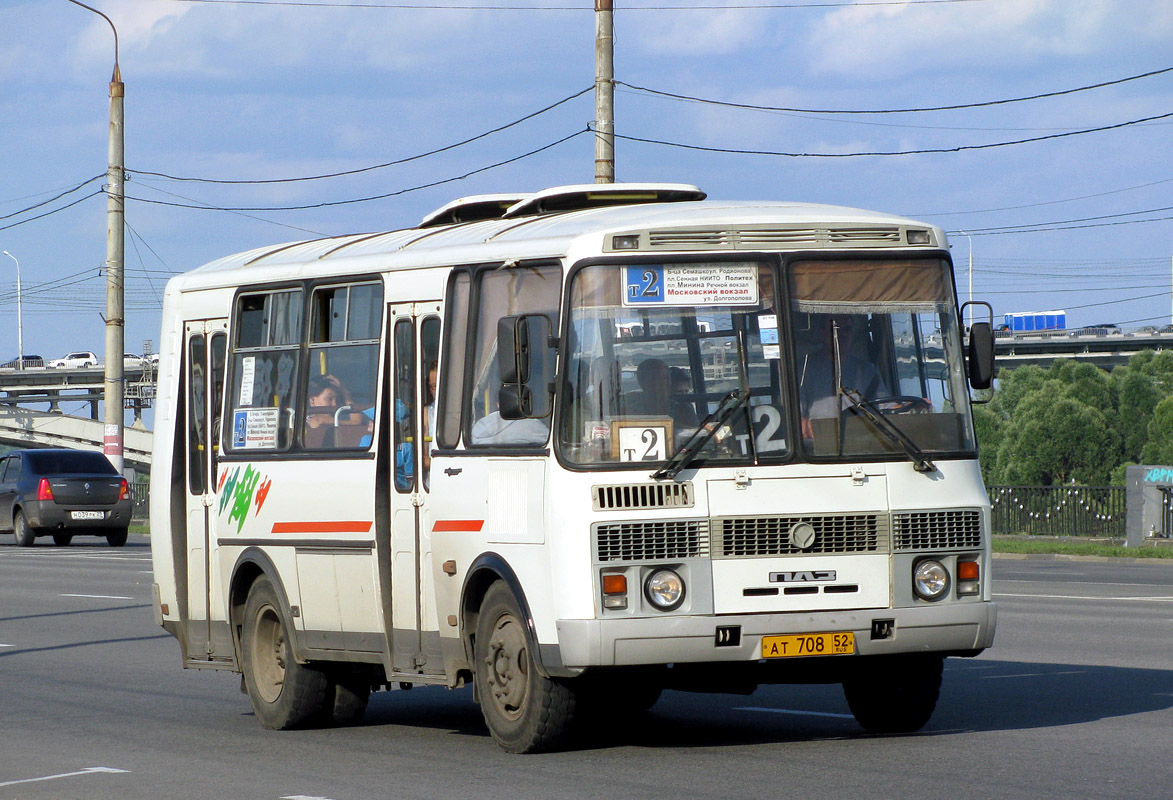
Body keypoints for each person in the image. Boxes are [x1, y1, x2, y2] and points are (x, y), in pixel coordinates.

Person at [797, 314, 887, 440]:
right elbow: (798, 424)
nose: (842, 335)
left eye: (847, 330)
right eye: (835, 329)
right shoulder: (802, 369)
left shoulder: (867, 370)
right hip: (815, 449)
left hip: (861, 443)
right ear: (821, 332)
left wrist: (914, 406)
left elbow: (886, 410)